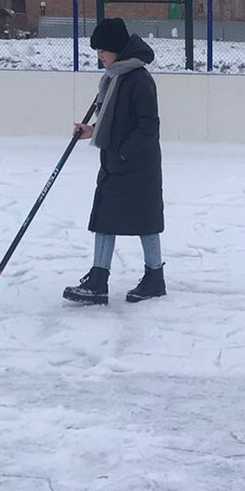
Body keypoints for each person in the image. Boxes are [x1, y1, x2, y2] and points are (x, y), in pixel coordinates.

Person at [62, 18, 165, 305]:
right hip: (115, 161)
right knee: (104, 218)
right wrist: (93, 131)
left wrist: (121, 151)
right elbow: (115, 121)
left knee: (146, 220)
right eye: (97, 52)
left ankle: (154, 277)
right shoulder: (113, 77)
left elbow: (148, 127)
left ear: (118, 49)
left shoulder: (139, 80)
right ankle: (98, 280)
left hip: (137, 164)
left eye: (103, 51)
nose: (100, 57)